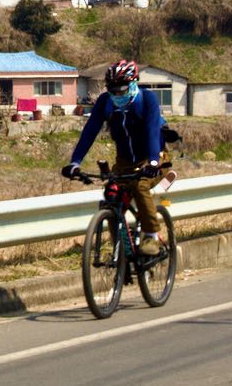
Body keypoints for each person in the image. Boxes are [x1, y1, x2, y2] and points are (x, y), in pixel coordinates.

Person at [63, 59, 169, 255]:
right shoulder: (105, 102)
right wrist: (75, 162)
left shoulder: (147, 99)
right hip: (124, 162)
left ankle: (151, 236)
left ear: (134, 83)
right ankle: (120, 249)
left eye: (122, 90)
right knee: (111, 195)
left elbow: (153, 131)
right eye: (113, 90)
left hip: (154, 157)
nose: (117, 95)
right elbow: (89, 132)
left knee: (140, 186)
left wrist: (153, 162)